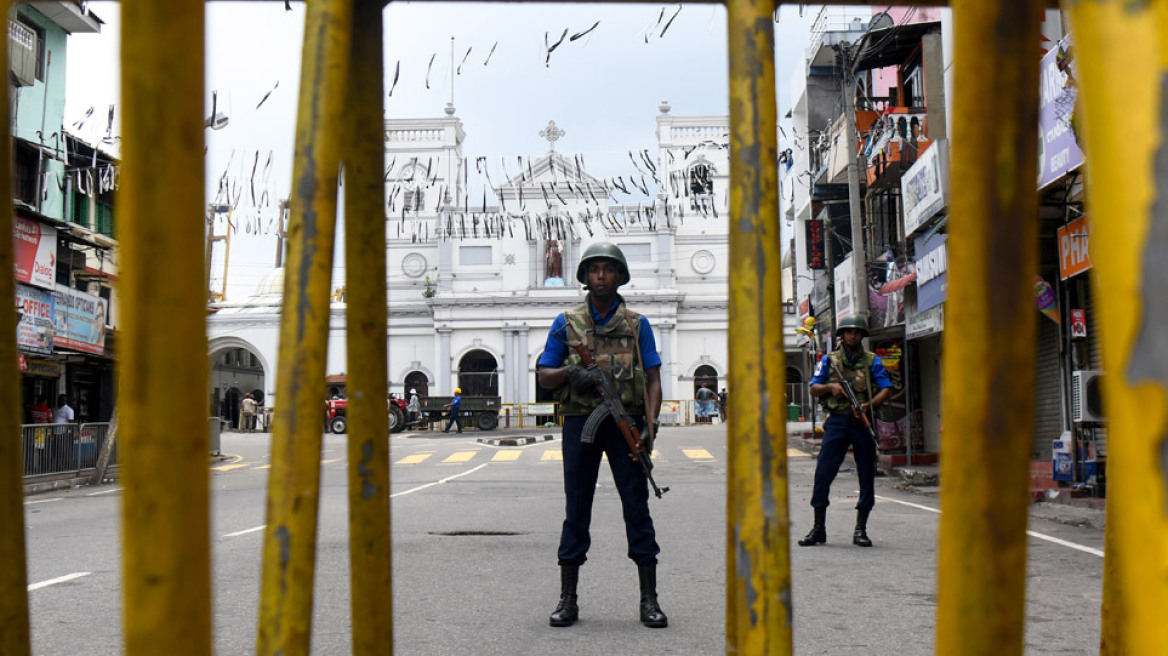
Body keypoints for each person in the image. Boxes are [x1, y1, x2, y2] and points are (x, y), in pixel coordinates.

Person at [536, 241, 667, 629]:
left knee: (637, 508)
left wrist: (650, 426)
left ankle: (649, 600)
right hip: (581, 425)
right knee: (576, 509)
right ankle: (568, 599)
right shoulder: (567, 323)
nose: (601, 275)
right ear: (585, 277)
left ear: (619, 275)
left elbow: (655, 379)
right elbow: (545, 375)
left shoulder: (637, 324)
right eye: (594, 269)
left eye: (608, 269)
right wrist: (571, 374)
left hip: (625, 422)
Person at [800, 314, 893, 548]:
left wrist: (868, 406)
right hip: (837, 422)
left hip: (862, 421)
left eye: (857, 332)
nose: (853, 335)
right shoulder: (829, 361)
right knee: (823, 473)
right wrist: (831, 387)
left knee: (866, 474)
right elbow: (813, 388)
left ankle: (861, 528)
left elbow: (886, 389)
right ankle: (818, 528)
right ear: (842, 335)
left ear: (862, 335)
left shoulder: (873, 361)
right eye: (849, 332)